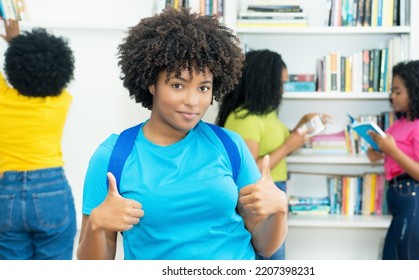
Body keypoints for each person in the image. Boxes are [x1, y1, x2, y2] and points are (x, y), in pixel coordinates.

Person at [76, 8, 288, 260]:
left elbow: (265, 246)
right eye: (178, 85)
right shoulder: (113, 157)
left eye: (203, 87)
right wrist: (98, 224)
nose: (192, 100)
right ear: (151, 83)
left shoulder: (229, 145)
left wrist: (279, 211)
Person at [216, 49, 330, 260]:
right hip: (259, 197)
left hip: (275, 193)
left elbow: (282, 145)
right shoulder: (243, 119)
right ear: (263, 81)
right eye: (280, 84)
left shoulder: (267, 114)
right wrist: (288, 145)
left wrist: (303, 125)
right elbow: (249, 171)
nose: (282, 91)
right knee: (271, 259)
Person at [0, 19, 77, 259]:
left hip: (6, 191)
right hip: (51, 188)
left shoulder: (3, 97)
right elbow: (42, 67)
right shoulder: (61, 101)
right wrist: (16, 39)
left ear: (13, 66)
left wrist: (14, 41)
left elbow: (24, 63)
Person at [367, 60, 419, 260]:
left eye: (398, 91)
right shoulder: (401, 124)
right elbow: (390, 153)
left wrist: (393, 151)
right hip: (404, 206)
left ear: (415, 92)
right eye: (392, 91)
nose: (392, 96)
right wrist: (377, 152)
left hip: (418, 204)